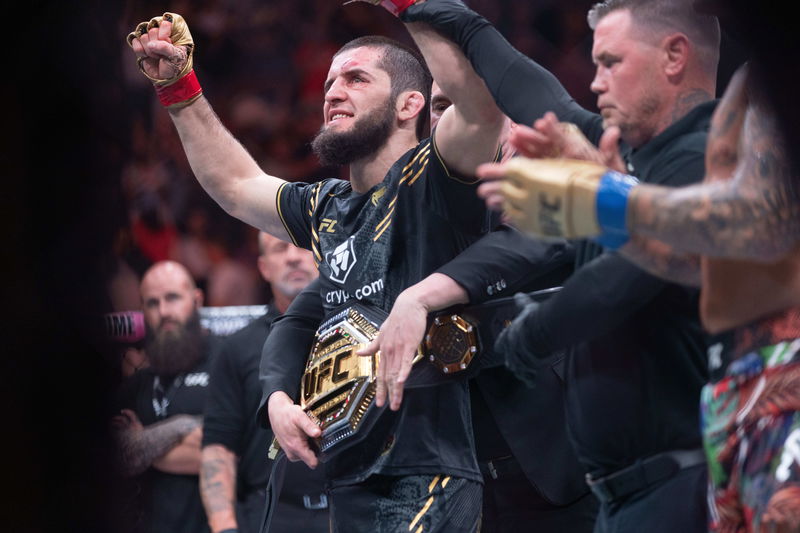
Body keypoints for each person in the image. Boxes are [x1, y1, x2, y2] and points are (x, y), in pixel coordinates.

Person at [127, 8, 505, 531]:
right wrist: (179, 89)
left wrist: (410, 8)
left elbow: (481, 110)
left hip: (426, 474)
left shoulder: (437, 179)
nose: (333, 93)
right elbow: (235, 185)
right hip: (345, 479)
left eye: (355, 79)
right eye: (328, 83)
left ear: (409, 104)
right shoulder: (328, 206)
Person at [356, 0, 721, 531]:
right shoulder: (627, 155)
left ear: (674, 56)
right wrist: (419, 8)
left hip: (685, 483)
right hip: (623, 491)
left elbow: (622, 278)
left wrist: (524, 337)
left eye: (611, 63)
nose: (595, 82)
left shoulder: (713, 157)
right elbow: (528, 89)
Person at [480, 22, 800, 533]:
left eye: (612, 63)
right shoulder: (749, 89)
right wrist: (612, 198)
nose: (599, 81)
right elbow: (685, 253)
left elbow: (742, 219)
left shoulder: (760, 103)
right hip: (735, 410)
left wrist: (608, 200)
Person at [258, 84, 597, 532]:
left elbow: (533, 241)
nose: (447, 119)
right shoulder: (405, 219)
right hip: (440, 481)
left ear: (507, 122)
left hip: (555, 462)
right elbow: (299, 319)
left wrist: (421, 294)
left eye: (457, 104)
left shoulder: (545, 193)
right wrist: (278, 397)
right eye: (439, 107)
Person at [200, 232, 326, 533]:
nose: (293, 256)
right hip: (271, 513)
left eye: (302, 245)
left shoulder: (357, 329)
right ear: (264, 267)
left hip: (351, 506)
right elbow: (219, 448)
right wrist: (225, 527)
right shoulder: (236, 348)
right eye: (280, 248)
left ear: (323, 255)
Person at [114, 260, 222, 533]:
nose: (163, 312)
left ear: (197, 300)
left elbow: (231, 451)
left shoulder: (227, 360)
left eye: (172, 298)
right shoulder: (140, 381)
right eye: (152, 303)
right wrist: (188, 428)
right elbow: (118, 454)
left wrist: (144, 441)